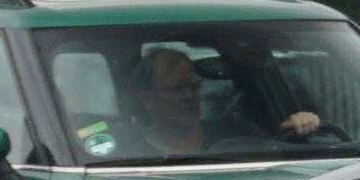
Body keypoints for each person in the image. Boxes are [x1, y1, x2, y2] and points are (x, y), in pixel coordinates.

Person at [125, 48, 318, 155]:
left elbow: (277, 151)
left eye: (194, 86)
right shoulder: (129, 153)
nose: (189, 95)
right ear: (147, 100)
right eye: (176, 89)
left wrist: (301, 125)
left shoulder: (237, 134)